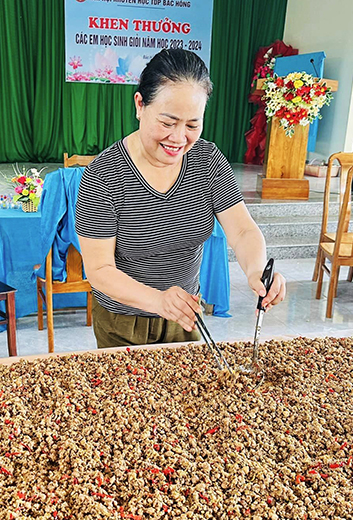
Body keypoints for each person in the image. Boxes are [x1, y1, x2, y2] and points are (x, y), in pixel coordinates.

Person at [76, 48, 286, 348]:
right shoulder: (104, 176)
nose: (178, 138)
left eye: (192, 125)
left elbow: (242, 230)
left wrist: (256, 271)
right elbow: (99, 270)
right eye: (167, 122)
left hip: (186, 317)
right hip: (122, 323)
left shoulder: (207, 160)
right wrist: (158, 300)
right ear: (140, 105)